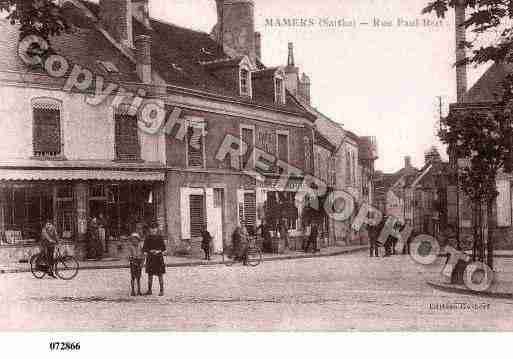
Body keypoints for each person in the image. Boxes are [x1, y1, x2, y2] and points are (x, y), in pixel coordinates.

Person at [143, 221, 166, 296]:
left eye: (154, 228)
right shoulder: (147, 237)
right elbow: (144, 248)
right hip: (150, 258)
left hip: (158, 258)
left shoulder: (160, 237)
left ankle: (161, 290)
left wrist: (158, 251)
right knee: (150, 275)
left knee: (160, 274)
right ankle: (149, 290)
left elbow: (163, 248)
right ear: (149, 229)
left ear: (157, 229)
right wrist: (149, 251)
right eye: (151, 228)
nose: (153, 230)